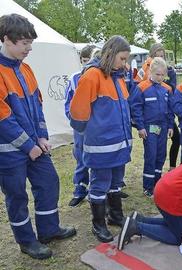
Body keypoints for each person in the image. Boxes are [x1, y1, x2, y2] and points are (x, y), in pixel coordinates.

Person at [0, 13, 76, 260]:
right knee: (17, 196)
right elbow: (3, 118)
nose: (30, 48)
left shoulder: (27, 69)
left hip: (34, 145)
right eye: (24, 43)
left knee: (49, 182)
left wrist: (42, 137)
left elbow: (38, 105)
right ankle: (27, 241)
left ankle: (48, 230)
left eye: (31, 42)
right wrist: (27, 145)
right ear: (6, 40)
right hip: (10, 151)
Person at [70, 35, 132, 242]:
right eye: (122, 59)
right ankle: (98, 224)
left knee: (115, 183)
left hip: (119, 145)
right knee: (99, 185)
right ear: (111, 54)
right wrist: (89, 135)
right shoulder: (92, 76)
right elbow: (78, 113)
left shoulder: (118, 77)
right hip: (101, 146)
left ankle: (115, 215)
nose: (125, 63)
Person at [130, 57, 174, 198]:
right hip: (149, 128)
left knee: (161, 156)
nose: (160, 77)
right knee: (151, 156)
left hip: (163, 127)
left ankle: (158, 184)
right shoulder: (141, 88)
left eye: (163, 75)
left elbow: (170, 109)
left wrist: (171, 126)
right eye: (157, 74)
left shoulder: (167, 89)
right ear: (151, 72)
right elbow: (136, 108)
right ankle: (148, 187)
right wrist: (140, 127)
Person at [136, 43, 180, 171]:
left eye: (162, 56)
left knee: (168, 146)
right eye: (157, 55)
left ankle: (168, 170)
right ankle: (149, 184)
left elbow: (172, 88)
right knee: (151, 153)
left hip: (164, 118)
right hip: (150, 119)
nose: (160, 58)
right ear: (152, 56)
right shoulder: (145, 68)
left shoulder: (168, 72)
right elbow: (137, 85)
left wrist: (167, 80)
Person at [64, 44, 96, 207]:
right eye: (84, 60)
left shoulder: (101, 76)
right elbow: (68, 103)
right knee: (81, 157)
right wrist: (75, 121)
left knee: (97, 159)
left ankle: (98, 191)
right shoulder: (75, 77)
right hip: (81, 129)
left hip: (97, 128)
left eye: (89, 60)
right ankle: (80, 190)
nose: (87, 64)